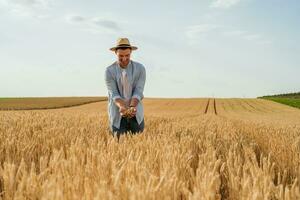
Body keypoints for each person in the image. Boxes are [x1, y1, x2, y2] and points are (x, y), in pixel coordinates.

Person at [104, 38, 146, 139]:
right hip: (117, 116)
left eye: (127, 55)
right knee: (118, 148)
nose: (124, 59)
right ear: (115, 53)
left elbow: (139, 90)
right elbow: (114, 93)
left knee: (139, 147)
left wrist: (132, 107)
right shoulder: (109, 71)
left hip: (136, 116)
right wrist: (122, 107)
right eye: (121, 56)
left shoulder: (140, 69)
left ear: (131, 52)